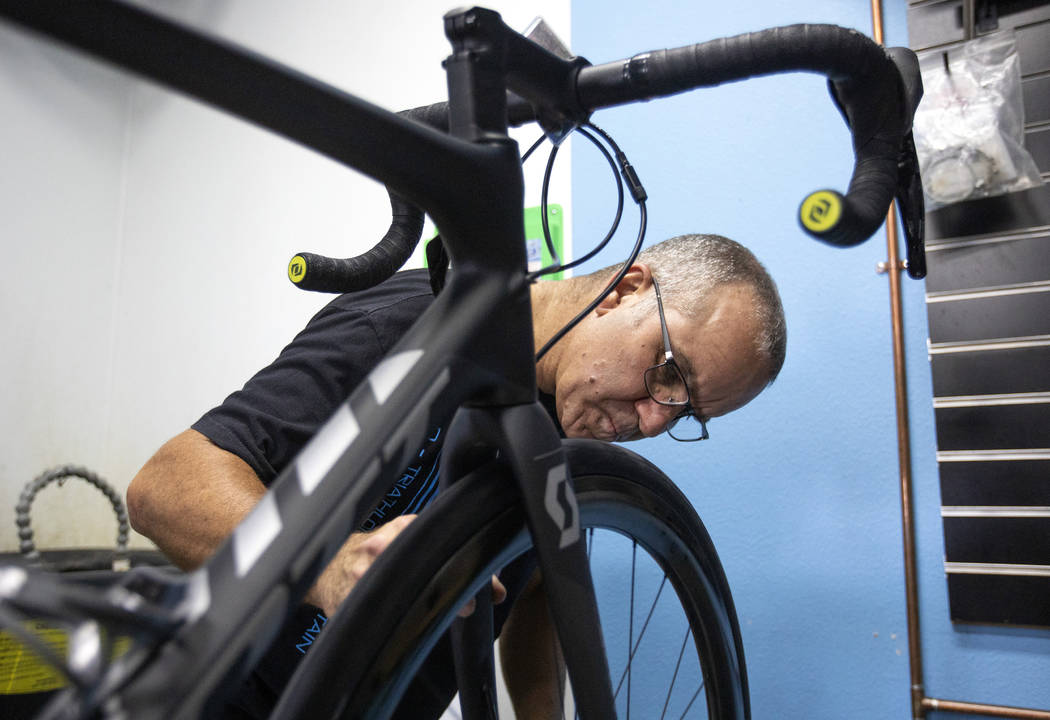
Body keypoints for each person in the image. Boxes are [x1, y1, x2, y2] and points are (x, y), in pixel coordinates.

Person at [126, 232, 786, 719]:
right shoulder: (409, 327)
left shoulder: (570, 432)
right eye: (668, 372)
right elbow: (164, 487)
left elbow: (531, 597)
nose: (650, 421)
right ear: (626, 291)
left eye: (684, 413)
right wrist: (333, 567)